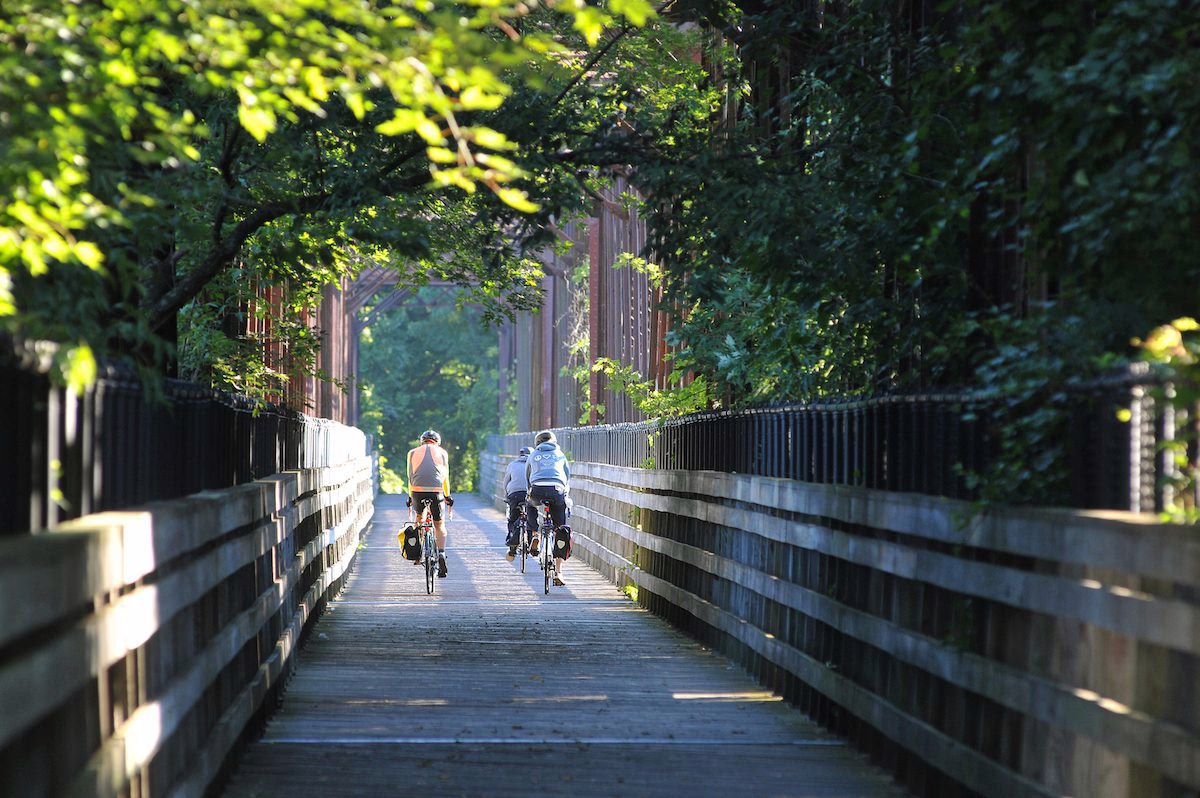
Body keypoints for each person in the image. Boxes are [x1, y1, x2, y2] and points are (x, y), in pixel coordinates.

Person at [525, 430, 572, 586]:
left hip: (537, 489)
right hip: (556, 489)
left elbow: (528, 476)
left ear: (537, 443)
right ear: (555, 442)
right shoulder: (560, 454)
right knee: (561, 529)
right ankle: (559, 572)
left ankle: (535, 534)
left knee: (530, 503)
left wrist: (529, 493)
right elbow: (567, 477)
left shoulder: (533, 455)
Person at [407, 429, 454, 577]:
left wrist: (410, 497)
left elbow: (410, 476)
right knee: (439, 525)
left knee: (420, 520)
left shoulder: (412, 453)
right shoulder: (442, 453)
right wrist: (447, 496)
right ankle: (441, 554)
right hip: (436, 491)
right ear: (437, 442)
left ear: (422, 441)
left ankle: (419, 552)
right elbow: (445, 477)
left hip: (417, 491)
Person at [502, 446, 536, 561]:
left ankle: (512, 544)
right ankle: (532, 540)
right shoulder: (534, 464)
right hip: (530, 494)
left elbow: (506, 482)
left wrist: (507, 496)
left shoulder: (512, 464)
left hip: (514, 494)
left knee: (513, 519)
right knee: (531, 518)